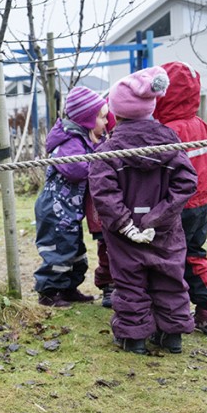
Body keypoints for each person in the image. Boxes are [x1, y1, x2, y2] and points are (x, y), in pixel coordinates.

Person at [89, 67, 197, 354]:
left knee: (129, 283)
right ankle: (172, 335)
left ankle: (133, 338)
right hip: (165, 231)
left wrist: (127, 225)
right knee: (169, 278)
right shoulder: (170, 141)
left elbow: (103, 192)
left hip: (126, 235)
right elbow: (186, 182)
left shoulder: (108, 151)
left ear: (117, 112)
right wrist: (159, 218)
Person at [153, 62, 207, 336]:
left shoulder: (169, 132)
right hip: (202, 204)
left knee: (172, 258)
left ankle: (184, 310)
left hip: (178, 207)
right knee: (193, 255)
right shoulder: (202, 126)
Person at [33, 86, 110, 307]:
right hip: (55, 210)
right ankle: (48, 292)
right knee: (59, 252)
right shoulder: (69, 142)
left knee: (76, 252)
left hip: (69, 212)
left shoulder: (84, 140)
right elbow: (76, 170)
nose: (106, 123)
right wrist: (98, 160)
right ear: (87, 119)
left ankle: (68, 288)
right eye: (102, 118)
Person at [84, 109, 118, 308]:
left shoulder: (115, 145)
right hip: (99, 211)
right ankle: (108, 286)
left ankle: (120, 285)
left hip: (117, 209)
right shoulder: (96, 145)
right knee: (105, 250)